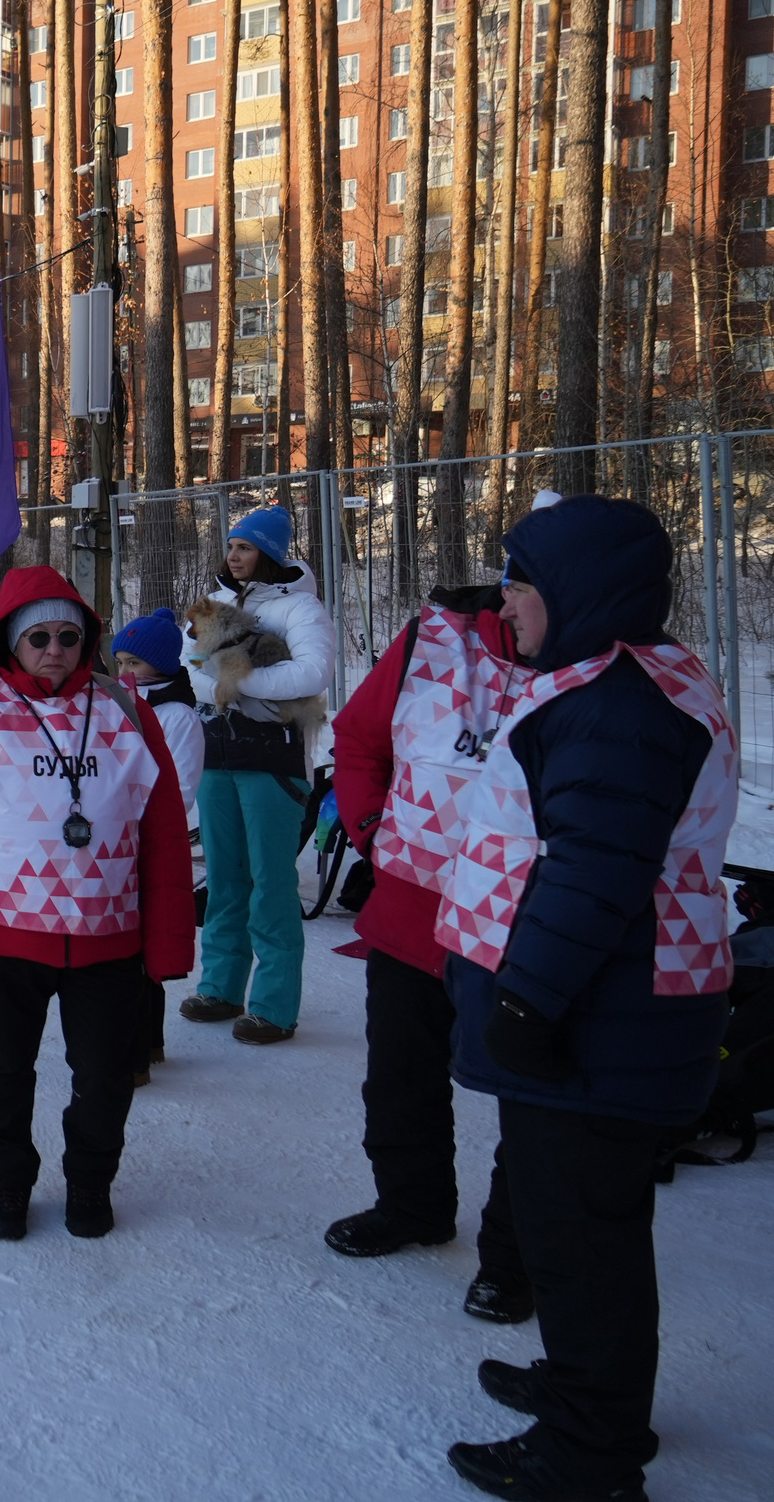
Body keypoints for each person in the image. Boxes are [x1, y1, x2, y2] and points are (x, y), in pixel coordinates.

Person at [436, 497, 735, 1502]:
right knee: (575, 1230)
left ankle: (590, 1454)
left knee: (583, 1244)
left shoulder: (616, 708)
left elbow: (594, 873)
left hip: (594, 1021)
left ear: (580, 591)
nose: (505, 602)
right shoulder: (613, 681)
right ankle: (584, 1388)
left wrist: (524, 1002)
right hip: (596, 1013)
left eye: (521, 581)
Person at [0, 568, 195, 1239]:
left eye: (70, 635)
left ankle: (90, 1181)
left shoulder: (126, 709)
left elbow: (162, 831)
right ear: (11, 638)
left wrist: (170, 941)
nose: (56, 649)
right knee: (5, 1072)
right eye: (39, 636)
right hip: (7, 940)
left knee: (105, 1076)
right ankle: (8, 1183)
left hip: (109, 938)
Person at [322, 577, 533, 1323]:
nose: (512, 603)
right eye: (511, 584)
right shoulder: (432, 641)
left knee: (532, 1098)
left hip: (523, 929)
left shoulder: (595, 665)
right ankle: (411, 1205)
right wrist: (373, 828)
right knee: (400, 1077)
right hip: (411, 914)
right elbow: (357, 738)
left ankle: (517, 1255)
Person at [180, 505, 335, 1045]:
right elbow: (191, 669)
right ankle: (220, 988)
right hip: (219, 755)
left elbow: (314, 672)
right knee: (224, 879)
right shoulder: (215, 603)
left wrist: (237, 683)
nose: (233, 555)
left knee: (271, 883)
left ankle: (273, 1005)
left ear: (268, 552)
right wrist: (224, 681)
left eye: (244, 547)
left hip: (273, 759)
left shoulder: (300, 607)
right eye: (230, 546)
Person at [110, 606, 206, 1078]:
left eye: (135, 663)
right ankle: (133, 1040)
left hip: (149, 840)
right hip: (112, 842)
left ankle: (146, 1043)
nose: (125, 671)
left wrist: (129, 810)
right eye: (121, 662)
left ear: (163, 665)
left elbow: (181, 787)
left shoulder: (177, 717)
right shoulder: (113, 705)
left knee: (143, 944)